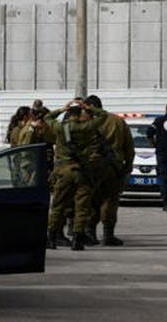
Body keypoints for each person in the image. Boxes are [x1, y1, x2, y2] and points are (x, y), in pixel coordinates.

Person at [43, 99, 109, 250]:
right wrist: (88, 108)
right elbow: (103, 115)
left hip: (63, 171)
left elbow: (47, 117)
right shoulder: (87, 127)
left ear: (69, 113)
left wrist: (62, 109)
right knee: (82, 206)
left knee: (58, 205)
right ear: (80, 113)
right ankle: (77, 240)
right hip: (82, 171)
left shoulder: (60, 127)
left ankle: (51, 238)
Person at [85, 95, 134, 247]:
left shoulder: (87, 122)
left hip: (92, 166)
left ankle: (90, 233)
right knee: (110, 200)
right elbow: (129, 146)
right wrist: (128, 165)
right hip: (114, 168)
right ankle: (108, 235)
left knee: (92, 200)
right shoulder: (118, 121)